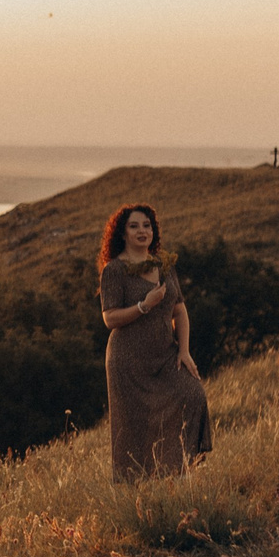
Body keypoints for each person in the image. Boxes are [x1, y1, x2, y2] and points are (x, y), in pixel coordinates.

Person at [98, 203, 212, 481]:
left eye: (147, 225)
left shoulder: (164, 265)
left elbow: (180, 311)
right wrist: (144, 305)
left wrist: (184, 351)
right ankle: (139, 488)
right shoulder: (114, 270)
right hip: (127, 360)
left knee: (193, 395)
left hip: (164, 355)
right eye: (134, 226)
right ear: (122, 234)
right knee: (135, 427)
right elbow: (109, 318)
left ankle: (179, 471)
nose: (142, 231)